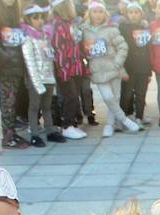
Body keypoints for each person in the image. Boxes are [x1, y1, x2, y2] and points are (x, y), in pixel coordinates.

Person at [82, 1, 141, 137]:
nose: (98, 15)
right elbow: (82, 50)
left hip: (114, 69)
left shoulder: (112, 29)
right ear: (89, 13)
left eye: (101, 12)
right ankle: (124, 120)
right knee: (108, 97)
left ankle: (109, 125)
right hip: (97, 71)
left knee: (115, 98)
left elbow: (123, 47)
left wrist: (117, 63)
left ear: (105, 13)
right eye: (95, 12)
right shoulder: (84, 30)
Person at [20, 4, 64, 147]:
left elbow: (50, 58)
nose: (40, 20)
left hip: (48, 77)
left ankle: (50, 131)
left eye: (41, 17)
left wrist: (52, 77)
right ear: (28, 19)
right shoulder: (27, 38)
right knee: (34, 106)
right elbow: (30, 62)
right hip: (36, 79)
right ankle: (34, 134)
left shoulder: (45, 36)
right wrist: (37, 82)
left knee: (47, 105)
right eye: (35, 17)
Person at [0, 0, 30, 149]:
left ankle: (11, 132)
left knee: (12, 100)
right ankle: (7, 136)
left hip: (17, 63)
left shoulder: (14, 13)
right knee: (7, 100)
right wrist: (6, 56)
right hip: (5, 65)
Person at [49, 0, 88, 139]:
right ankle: (67, 126)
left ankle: (70, 124)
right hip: (65, 69)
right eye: (70, 4)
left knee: (74, 96)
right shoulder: (59, 25)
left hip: (75, 67)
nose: (73, 7)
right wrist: (63, 70)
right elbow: (59, 49)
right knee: (71, 96)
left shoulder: (70, 23)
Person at [118, 1, 153, 126]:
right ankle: (122, 118)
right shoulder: (123, 28)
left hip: (143, 66)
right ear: (127, 14)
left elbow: (148, 49)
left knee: (141, 94)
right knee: (126, 94)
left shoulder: (145, 28)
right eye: (131, 12)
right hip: (129, 67)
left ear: (141, 14)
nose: (133, 15)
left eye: (136, 12)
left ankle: (139, 116)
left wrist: (149, 71)